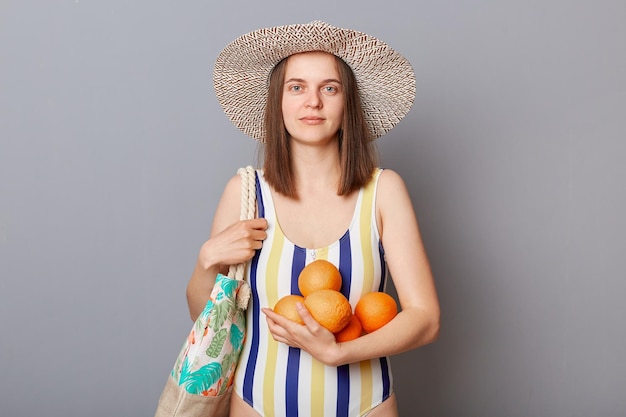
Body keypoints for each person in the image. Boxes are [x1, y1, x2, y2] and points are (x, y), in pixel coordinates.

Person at [186, 21, 440, 417]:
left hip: (366, 405)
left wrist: (341, 352)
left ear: (347, 103)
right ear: (279, 102)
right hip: (257, 405)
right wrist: (207, 261)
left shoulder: (384, 191)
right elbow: (210, 322)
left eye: (330, 88)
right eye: (297, 87)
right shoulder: (245, 192)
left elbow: (425, 319)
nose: (313, 102)